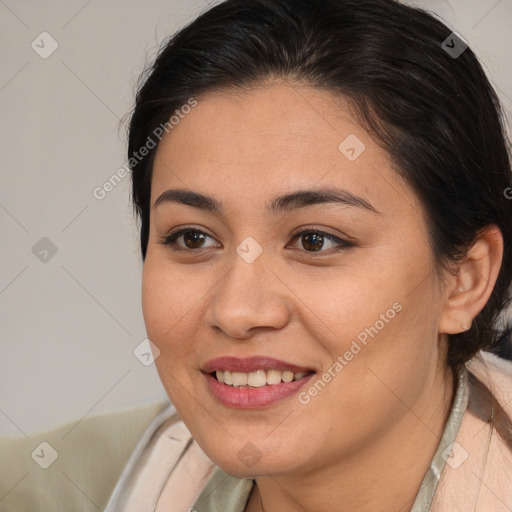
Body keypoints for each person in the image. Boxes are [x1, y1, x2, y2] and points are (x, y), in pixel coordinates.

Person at [104, 0, 512, 510]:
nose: (236, 311)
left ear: (465, 279)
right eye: (193, 238)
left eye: (314, 240)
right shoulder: (125, 471)